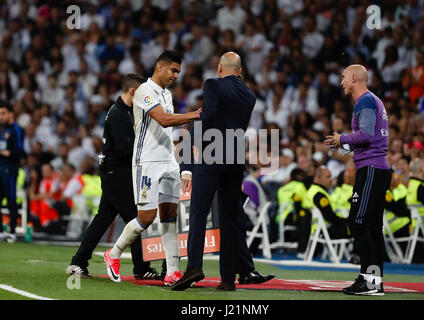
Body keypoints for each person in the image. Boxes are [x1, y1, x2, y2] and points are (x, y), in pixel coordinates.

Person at [172, 52, 274, 292]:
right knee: (230, 217)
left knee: (199, 211)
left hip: (212, 155)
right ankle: (228, 279)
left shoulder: (213, 85)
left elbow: (207, 117)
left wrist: (196, 141)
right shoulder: (249, 95)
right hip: (236, 159)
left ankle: (194, 267)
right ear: (240, 71)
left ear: (219, 67)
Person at [103, 51, 201, 284]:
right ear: (159, 67)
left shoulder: (166, 94)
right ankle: (113, 253)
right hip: (147, 163)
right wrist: (196, 114)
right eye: (173, 70)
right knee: (146, 217)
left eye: (178, 71)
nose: (176, 75)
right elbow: (164, 120)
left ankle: (172, 271)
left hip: (168, 162)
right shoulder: (144, 91)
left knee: (169, 217)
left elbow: (168, 126)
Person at [67, 74, 159, 279]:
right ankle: (141, 268)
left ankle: (78, 262)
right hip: (117, 172)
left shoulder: (124, 111)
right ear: (133, 92)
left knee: (103, 219)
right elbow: (125, 148)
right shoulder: (119, 114)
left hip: (115, 172)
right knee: (138, 218)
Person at [325, 64, 392, 296]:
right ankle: (373, 282)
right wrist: (342, 142)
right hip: (376, 168)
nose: (341, 82)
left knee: (358, 222)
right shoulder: (373, 100)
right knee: (372, 227)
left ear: (354, 77)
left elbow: (366, 134)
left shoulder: (364, 101)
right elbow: (369, 136)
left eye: (343, 77)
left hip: (371, 169)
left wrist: (341, 138)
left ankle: (370, 281)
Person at [0, 101, 21, 243]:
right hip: (1, 168)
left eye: (3, 113)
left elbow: (19, 151)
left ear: (10, 114)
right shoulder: (2, 130)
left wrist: (5, 152)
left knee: (11, 200)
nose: (0, 117)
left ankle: (12, 231)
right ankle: (1, 231)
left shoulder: (15, 130)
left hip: (10, 170)